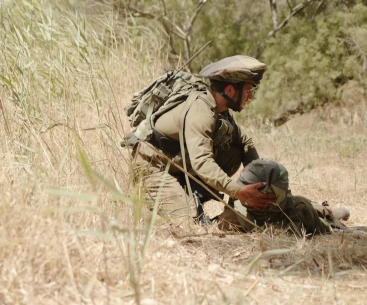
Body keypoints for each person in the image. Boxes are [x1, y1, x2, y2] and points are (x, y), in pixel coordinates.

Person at [133, 55, 276, 224]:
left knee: (234, 153)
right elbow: (202, 162)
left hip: (179, 163)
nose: (251, 96)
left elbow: (245, 142)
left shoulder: (220, 110)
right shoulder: (201, 112)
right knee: (188, 223)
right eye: (247, 90)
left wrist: (260, 180)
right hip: (152, 166)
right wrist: (238, 191)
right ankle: (165, 192)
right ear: (230, 91)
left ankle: (187, 189)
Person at [217, 159, 354, 235]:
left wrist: (342, 230)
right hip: (274, 211)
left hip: (293, 208)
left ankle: (333, 211)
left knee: (309, 210)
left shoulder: (298, 207)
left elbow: (322, 229)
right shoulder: (233, 217)